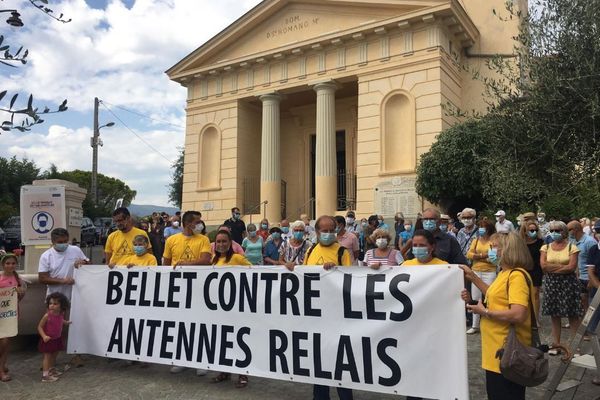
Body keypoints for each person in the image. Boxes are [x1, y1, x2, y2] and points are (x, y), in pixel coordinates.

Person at [462, 233, 535, 400]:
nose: (491, 251)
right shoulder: (504, 273)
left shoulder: (516, 276)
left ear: (507, 250)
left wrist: (485, 312)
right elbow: (495, 296)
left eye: (494, 247)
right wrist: (473, 277)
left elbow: (518, 314)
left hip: (508, 352)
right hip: (497, 351)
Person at [299, 215, 352, 400]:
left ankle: (345, 395)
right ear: (317, 231)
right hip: (316, 315)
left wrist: (335, 270)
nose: (329, 234)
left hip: (337, 315)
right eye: (325, 230)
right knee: (319, 360)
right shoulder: (310, 250)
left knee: (341, 360)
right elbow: (303, 276)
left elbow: (350, 281)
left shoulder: (342, 252)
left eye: (332, 230)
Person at [163, 211, 211, 375]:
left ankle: (201, 360)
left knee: (200, 324)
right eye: (197, 221)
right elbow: (166, 264)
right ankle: (181, 358)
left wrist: (186, 263)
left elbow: (206, 260)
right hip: (178, 289)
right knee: (180, 324)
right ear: (188, 223)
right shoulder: (171, 240)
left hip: (199, 289)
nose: (200, 224)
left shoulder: (203, 239)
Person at [210, 229, 251, 388]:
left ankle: (243, 374)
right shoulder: (213, 260)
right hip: (219, 309)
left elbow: (254, 274)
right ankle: (224, 371)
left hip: (236, 308)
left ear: (230, 243)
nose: (221, 244)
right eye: (218, 242)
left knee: (239, 340)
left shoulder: (237, 258)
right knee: (222, 340)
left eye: (224, 241)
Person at [540, 220, 582, 354]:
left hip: (568, 284)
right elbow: (543, 266)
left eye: (557, 231)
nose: (554, 233)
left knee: (572, 315)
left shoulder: (572, 247)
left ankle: (574, 346)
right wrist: (561, 267)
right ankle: (556, 345)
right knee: (554, 315)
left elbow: (571, 267)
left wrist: (552, 268)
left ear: (563, 232)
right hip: (552, 284)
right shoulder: (545, 247)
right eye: (552, 230)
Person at [38, 228, 89, 300]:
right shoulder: (46, 256)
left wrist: (84, 263)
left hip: (75, 297)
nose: (63, 244)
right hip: (55, 299)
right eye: (60, 242)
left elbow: (89, 264)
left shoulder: (75, 250)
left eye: (65, 241)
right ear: (53, 241)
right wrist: (62, 281)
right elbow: (42, 278)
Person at [466, 219, 497, 334]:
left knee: (490, 296)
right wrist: (483, 255)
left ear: (488, 229)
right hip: (476, 271)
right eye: (480, 227)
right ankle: (475, 325)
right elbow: (469, 254)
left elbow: (493, 259)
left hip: (490, 271)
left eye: (483, 227)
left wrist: (477, 256)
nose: (481, 229)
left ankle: (491, 321)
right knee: (475, 297)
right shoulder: (476, 240)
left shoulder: (493, 241)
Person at [0, 254, 25, 382]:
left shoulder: (18, 279)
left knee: (6, 342)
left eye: (13, 263)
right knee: (2, 342)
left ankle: (2, 365)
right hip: (1, 315)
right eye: (7, 263)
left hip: (11, 315)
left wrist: (21, 293)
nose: (10, 265)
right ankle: (1, 368)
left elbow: (18, 299)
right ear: (3, 264)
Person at [37, 292, 71, 382]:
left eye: (55, 304)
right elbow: (39, 327)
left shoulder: (60, 314)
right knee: (47, 357)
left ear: (61, 305)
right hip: (48, 339)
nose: (52, 306)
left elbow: (60, 320)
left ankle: (51, 369)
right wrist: (44, 336)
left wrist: (66, 322)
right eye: (50, 303)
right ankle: (45, 375)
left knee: (55, 354)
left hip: (57, 338)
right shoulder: (47, 316)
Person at [567, 220, 597, 314]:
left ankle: (589, 324)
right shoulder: (573, 241)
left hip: (589, 278)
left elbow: (595, 262)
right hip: (578, 277)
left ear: (575, 229)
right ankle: (582, 323)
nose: (567, 232)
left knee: (591, 304)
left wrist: (592, 279)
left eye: (569, 230)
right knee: (581, 301)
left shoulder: (590, 242)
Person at [519, 219, 544, 320]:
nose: (533, 232)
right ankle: (525, 316)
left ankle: (536, 318)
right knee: (523, 294)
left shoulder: (541, 242)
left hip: (536, 270)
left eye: (535, 230)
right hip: (523, 270)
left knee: (535, 294)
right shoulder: (520, 243)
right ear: (525, 231)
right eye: (531, 230)